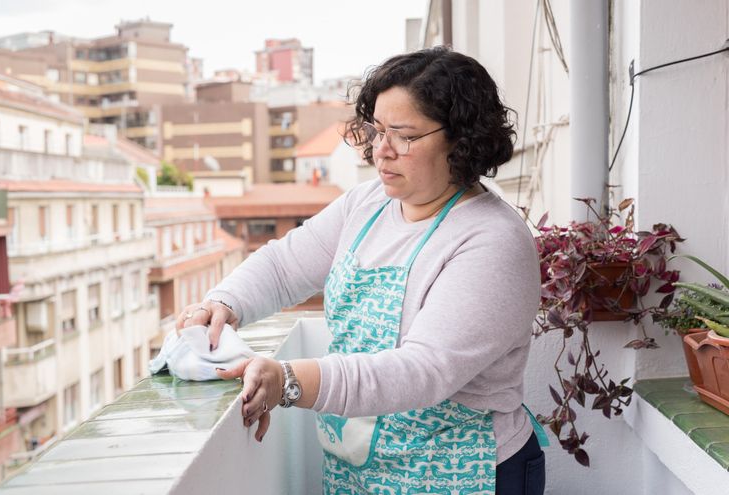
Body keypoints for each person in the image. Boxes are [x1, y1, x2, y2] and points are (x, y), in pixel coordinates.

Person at [177, 46, 546, 495]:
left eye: (404, 136)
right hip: (363, 470)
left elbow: (422, 371)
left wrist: (289, 381)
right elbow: (284, 265)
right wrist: (223, 303)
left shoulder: (492, 240)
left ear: (461, 139)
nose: (381, 151)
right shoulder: (368, 204)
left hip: (463, 472)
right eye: (376, 130)